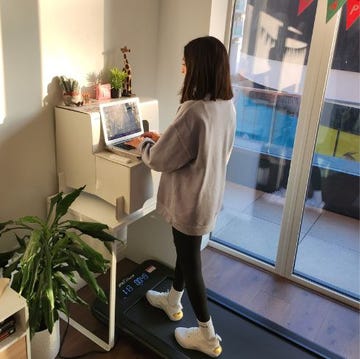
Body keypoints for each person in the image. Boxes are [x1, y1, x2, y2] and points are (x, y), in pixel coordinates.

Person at [128, 36, 236, 357]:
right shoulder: (225, 105)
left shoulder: (193, 110)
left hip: (189, 201)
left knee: (191, 263)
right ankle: (173, 301)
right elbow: (207, 148)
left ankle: (208, 336)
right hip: (209, 196)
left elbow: (160, 160)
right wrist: (165, 140)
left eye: (186, 61)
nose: (182, 67)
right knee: (184, 252)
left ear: (198, 67)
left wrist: (144, 146)